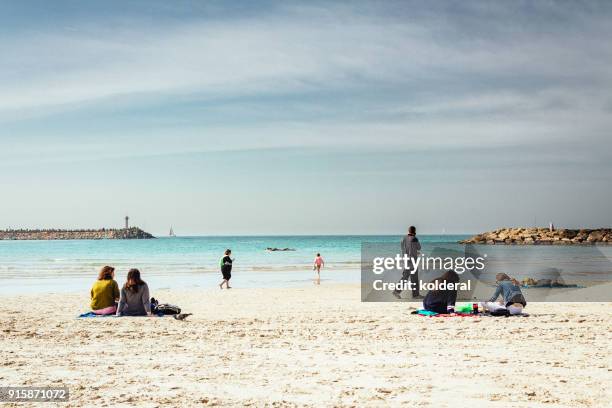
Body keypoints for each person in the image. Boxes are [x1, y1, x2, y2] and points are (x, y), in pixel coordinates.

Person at [393, 225, 422, 299]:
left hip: (405, 260)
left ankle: (396, 291)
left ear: (408, 231)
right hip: (412, 261)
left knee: (405, 277)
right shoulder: (414, 238)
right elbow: (419, 247)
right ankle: (415, 295)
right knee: (414, 278)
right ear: (414, 231)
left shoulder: (403, 238)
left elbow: (403, 248)